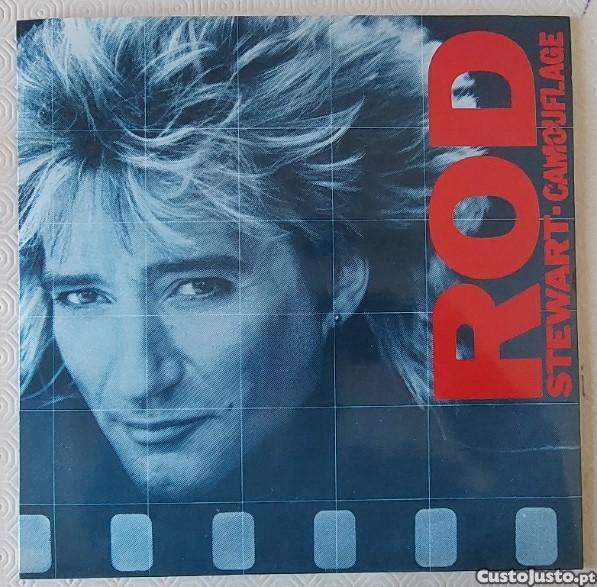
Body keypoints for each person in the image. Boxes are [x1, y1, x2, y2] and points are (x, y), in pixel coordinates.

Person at [18, 16, 486, 503]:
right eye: (83, 296)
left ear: (338, 277)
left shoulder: (459, 494)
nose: (141, 381)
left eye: (198, 288)